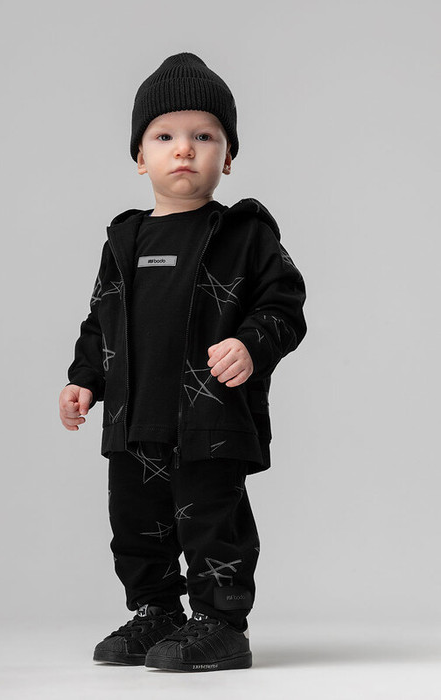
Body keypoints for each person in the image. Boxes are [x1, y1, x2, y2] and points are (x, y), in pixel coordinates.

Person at [59, 52, 307, 672]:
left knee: (212, 522)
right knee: (134, 525)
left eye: (204, 136)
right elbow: (100, 320)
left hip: (209, 420)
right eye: (165, 136)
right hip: (134, 419)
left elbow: (284, 304)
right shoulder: (124, 239)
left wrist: (251, 343)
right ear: (140, 157)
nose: (185, 150)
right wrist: (83, 379)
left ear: (229, 156)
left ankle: (221, 624)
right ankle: (157, 612)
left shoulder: (244, 233)